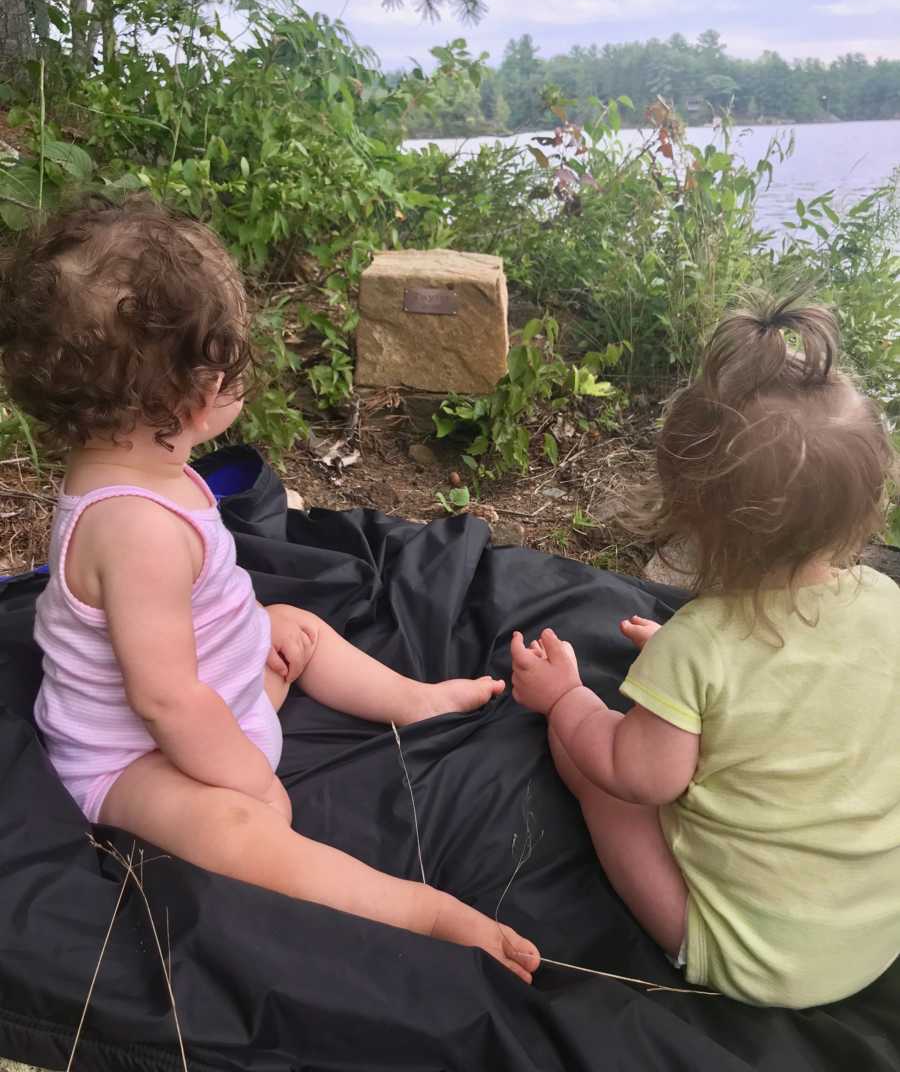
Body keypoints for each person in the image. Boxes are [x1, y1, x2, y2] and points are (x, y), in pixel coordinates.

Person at [0, 198, 539, 983]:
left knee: (294, 625)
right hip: (131, 755)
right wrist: (248, 777)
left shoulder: (131, 459)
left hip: (215, 691)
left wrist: (250, 657)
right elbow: (165, 702)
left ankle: (413, 703)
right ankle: (418, 911)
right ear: (191, 395)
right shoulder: (136, 529)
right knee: (239, 829)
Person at [511, 298, 899, 1008]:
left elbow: (641, 778)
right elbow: (804, 696)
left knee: (594, 775)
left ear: (695, 515)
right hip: (873, 938)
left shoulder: (700, 645)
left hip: (748, 955)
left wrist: (565, 698)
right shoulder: (886, 603)